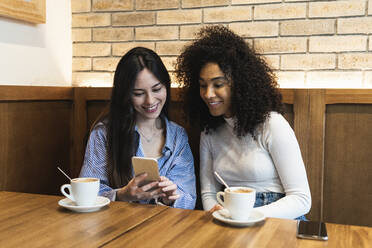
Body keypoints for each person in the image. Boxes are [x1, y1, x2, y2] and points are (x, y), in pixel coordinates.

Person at [175, 26, 311, 219]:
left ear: (239, 83)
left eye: (218, 84)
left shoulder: (271, 124)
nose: (208, 94)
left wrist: (247, 216)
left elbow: (301, 199)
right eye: (203, 85)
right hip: (232, 218)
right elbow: (209, 193)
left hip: (279, 219)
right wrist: (217, 212)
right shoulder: (209, 131)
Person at [80, 47, 196, 210]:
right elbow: (88, 193)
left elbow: (189, 198)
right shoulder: (104, 134)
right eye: (138, 93)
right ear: (126, 95)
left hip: (165, 229)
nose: (150, 101)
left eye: (156, 89)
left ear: (166, 86)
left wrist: (171, 199)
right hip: (117, 228)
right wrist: (121, 195)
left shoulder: (178, 136)